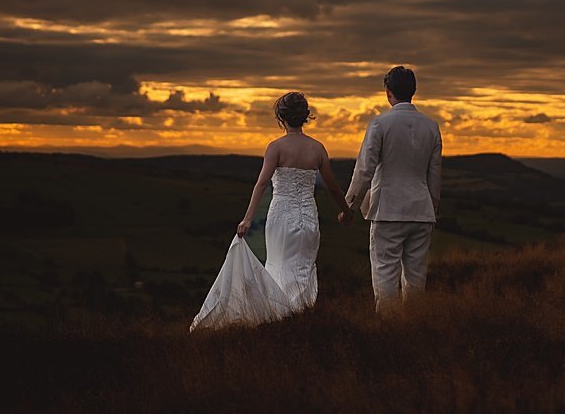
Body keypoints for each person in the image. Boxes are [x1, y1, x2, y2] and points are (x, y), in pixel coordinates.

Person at [189, 91, 353, 332]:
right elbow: (334, 189)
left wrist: (247, 219)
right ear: (305, 117)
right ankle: (299, 321)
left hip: (281, 219)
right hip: (308, 220)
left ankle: (281, 323)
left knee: (278, 266)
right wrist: (346, 212)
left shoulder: (276, 147)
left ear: (282, 118)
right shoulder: (318, 149)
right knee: (303, 269)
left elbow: (262, 183)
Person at [344, 65, 443, 314]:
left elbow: (364, 170)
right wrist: (432, 210)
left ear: (388, 92)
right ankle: (413, 329)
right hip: (421, 211)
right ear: (414, 91)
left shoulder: (379, 124)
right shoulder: (432, 127)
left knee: (385, 275)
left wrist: (348, 206)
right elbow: (435, 176)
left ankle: (390, 333)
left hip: (387, 211)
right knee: (417, 279)